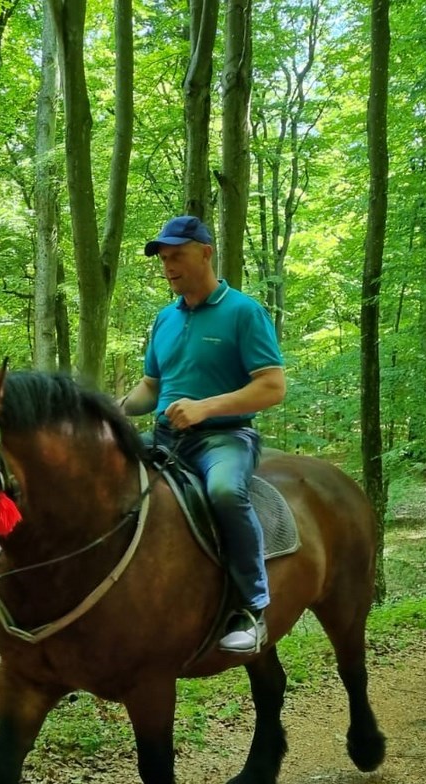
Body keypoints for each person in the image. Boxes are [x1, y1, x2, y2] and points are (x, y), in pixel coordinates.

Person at [120, 215, 286, 654]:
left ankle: (252, 609)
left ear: (206, 253)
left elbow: (272, 386)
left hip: (224, 438)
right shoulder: (164, 319)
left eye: (176, 256)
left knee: (226, 493)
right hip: (163, 438)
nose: (168, 266)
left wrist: (204, 407)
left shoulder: (243, 311)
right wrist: (112, 411)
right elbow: (151, 387)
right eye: (163, 259)